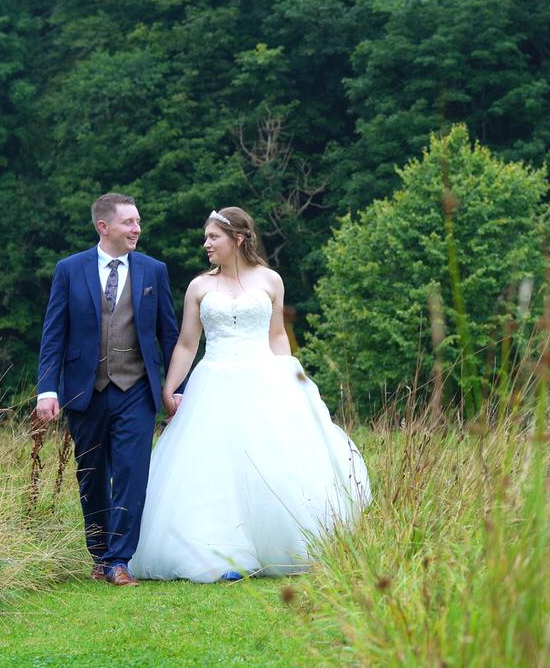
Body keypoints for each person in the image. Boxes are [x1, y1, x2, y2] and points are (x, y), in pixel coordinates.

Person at [127, 207, 369, 582]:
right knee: (212, 468)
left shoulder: (270, 280)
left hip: (263, 378)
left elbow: (276, 336)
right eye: (206, 238)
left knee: (271, 463)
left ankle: (279, 546)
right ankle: (219, 554)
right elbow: (188, 344)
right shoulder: (200, 286)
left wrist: (290, 376)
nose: (206, 244)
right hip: (214, 382)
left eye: (213, 237)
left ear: (238, 239)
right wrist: (170, 387)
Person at [35, 193, 182, 587]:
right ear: (104, 227)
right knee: (92, 474)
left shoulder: (154, 271)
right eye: (129, 222)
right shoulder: (69, 270)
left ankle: (120, 560)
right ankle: (99, 554)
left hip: (137, 388)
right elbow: (54, 334)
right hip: (85, 389)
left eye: (137, 221)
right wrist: (46, 389)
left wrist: (176, 387)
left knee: (132, 472)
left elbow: (171, 335)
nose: (137, 229)